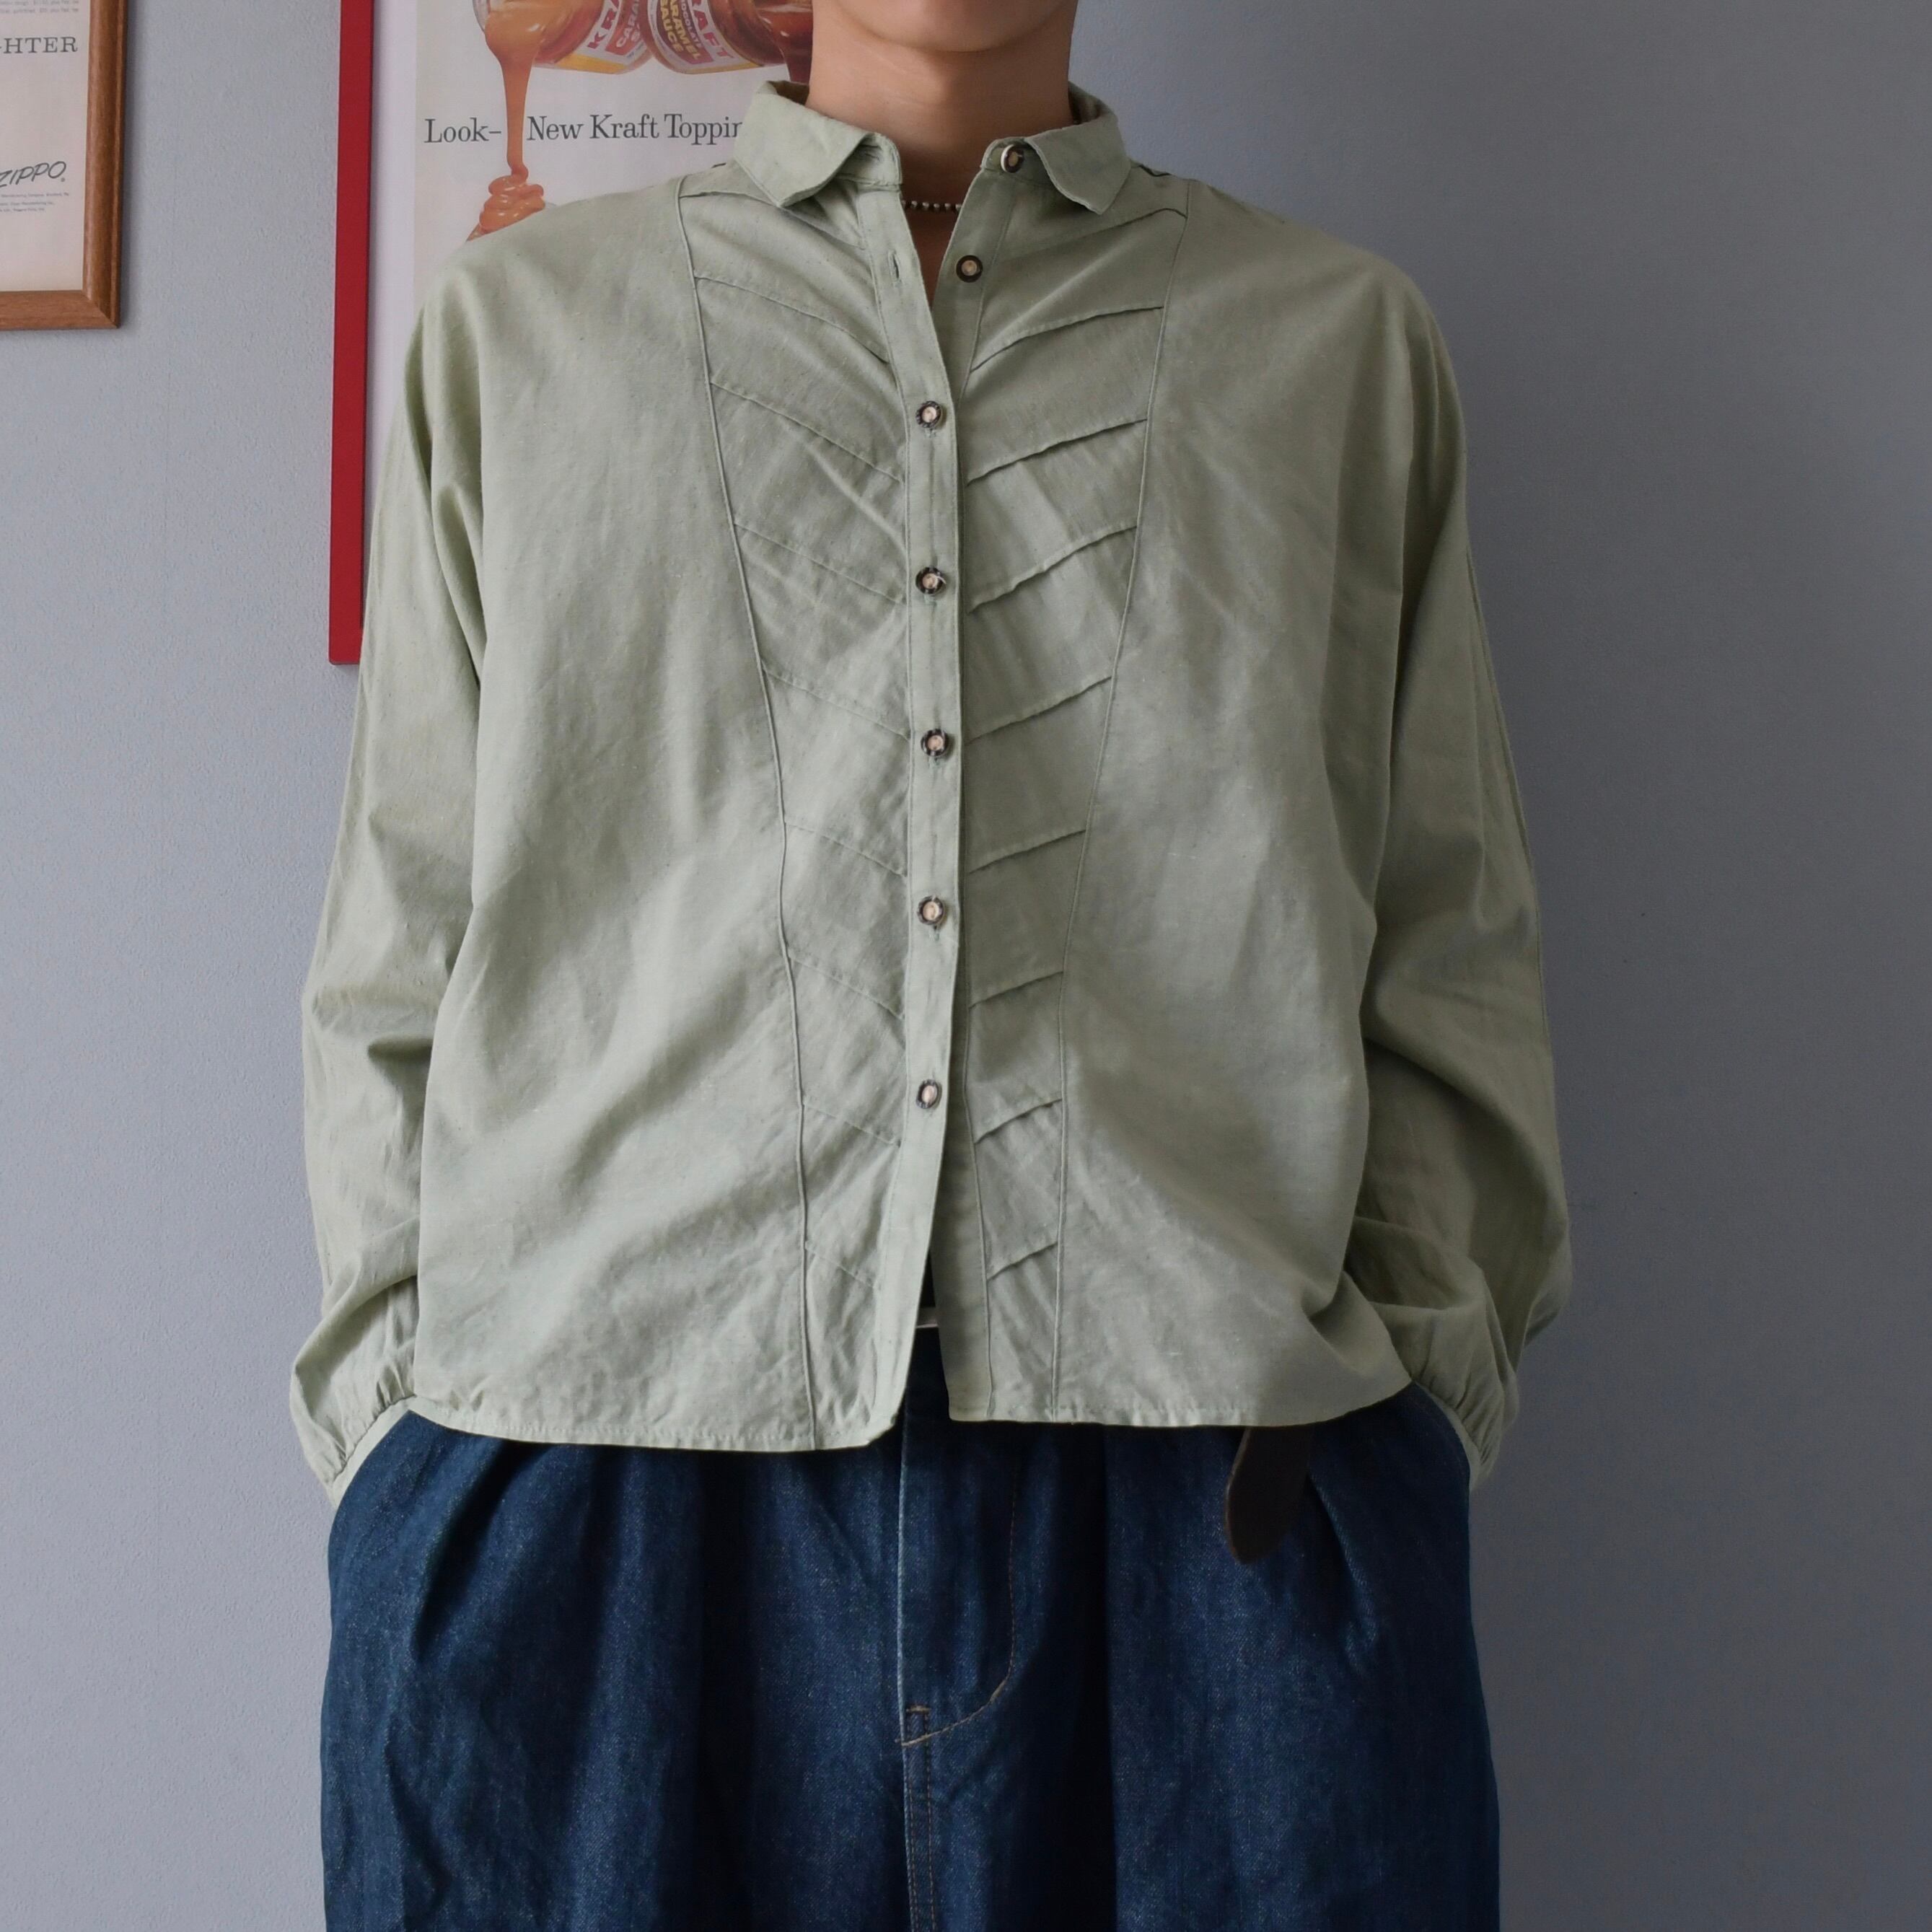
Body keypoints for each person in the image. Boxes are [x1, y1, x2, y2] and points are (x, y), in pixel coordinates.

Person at [295, 1, 1573, 1926]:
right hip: (591, 1473)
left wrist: (1404, 1424)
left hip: (1221, 1500)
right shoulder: (514, 336)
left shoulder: (1337, 349)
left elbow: (1445, 921)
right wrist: (402, 1454)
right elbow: (401, 943)